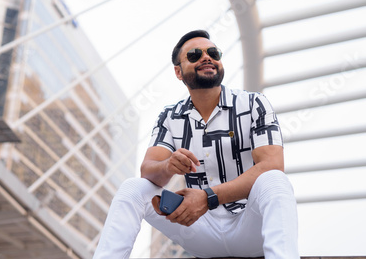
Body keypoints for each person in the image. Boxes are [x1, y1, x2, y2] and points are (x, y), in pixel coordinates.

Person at [93, 30, 299, 259]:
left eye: (213, 52)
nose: (207, 57)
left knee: (275, 180)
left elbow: (272, 165)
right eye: (194, 55)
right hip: (200, 231)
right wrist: (168, 166)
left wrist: (208, 197)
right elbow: (148, 171)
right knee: (133, 188)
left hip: (249, 228)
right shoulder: (170, 116)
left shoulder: (254, 104)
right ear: (178, 72)